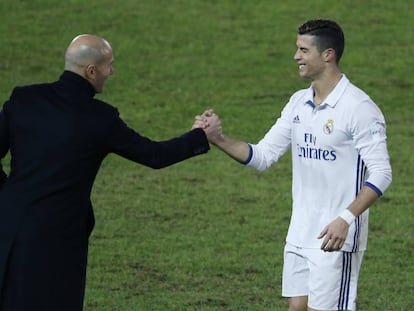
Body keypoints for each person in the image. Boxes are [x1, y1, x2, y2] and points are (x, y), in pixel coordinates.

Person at [0, 34, 221, 310]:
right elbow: (154, 155)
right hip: (57, 242)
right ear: (91, 71)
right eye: (109, 65)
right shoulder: (100, 119)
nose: (112, 72)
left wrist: (8, 194)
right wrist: (200, 136)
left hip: (8, 230)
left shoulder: (23, 100)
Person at [195, 19, 392, 311]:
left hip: (335, 237)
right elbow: (262, 156)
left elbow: (382, 172)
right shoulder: (299, 103)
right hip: (300, 234)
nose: (296, 56)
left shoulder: (359, 108)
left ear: (327, 55)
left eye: (303, 50)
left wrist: (346, 219)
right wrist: (218, 138)